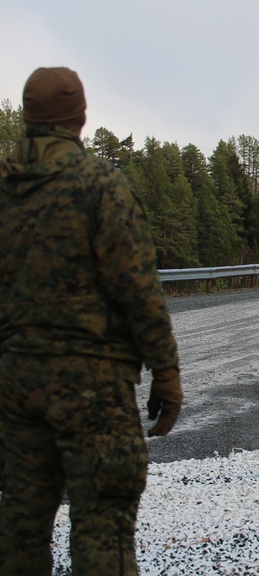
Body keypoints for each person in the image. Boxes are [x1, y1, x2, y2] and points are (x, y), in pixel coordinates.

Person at [0, 67, 183, 575]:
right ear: (79, 118)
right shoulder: (99, 184)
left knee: (19, 529)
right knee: (103, 528)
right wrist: (165, 371)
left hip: (16, 385)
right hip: (93, 385)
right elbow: (138, 287)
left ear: (30, 118)